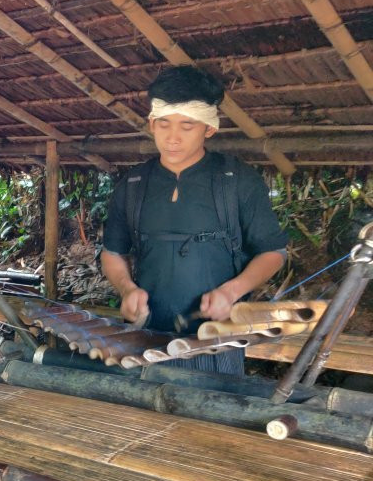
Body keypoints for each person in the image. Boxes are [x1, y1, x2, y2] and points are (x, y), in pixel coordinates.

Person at [101, 65, 287, 374]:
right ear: (151, 124)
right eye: (163, 125)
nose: (173, 138)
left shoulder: (236, 180)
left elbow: (273, 253)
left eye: (187, 126)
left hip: (216, 339)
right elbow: (113, 253)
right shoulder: (134, 184)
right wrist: (127, 290)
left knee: (211, 414)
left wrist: (231, 291)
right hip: (145, 336)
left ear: (209, 129)